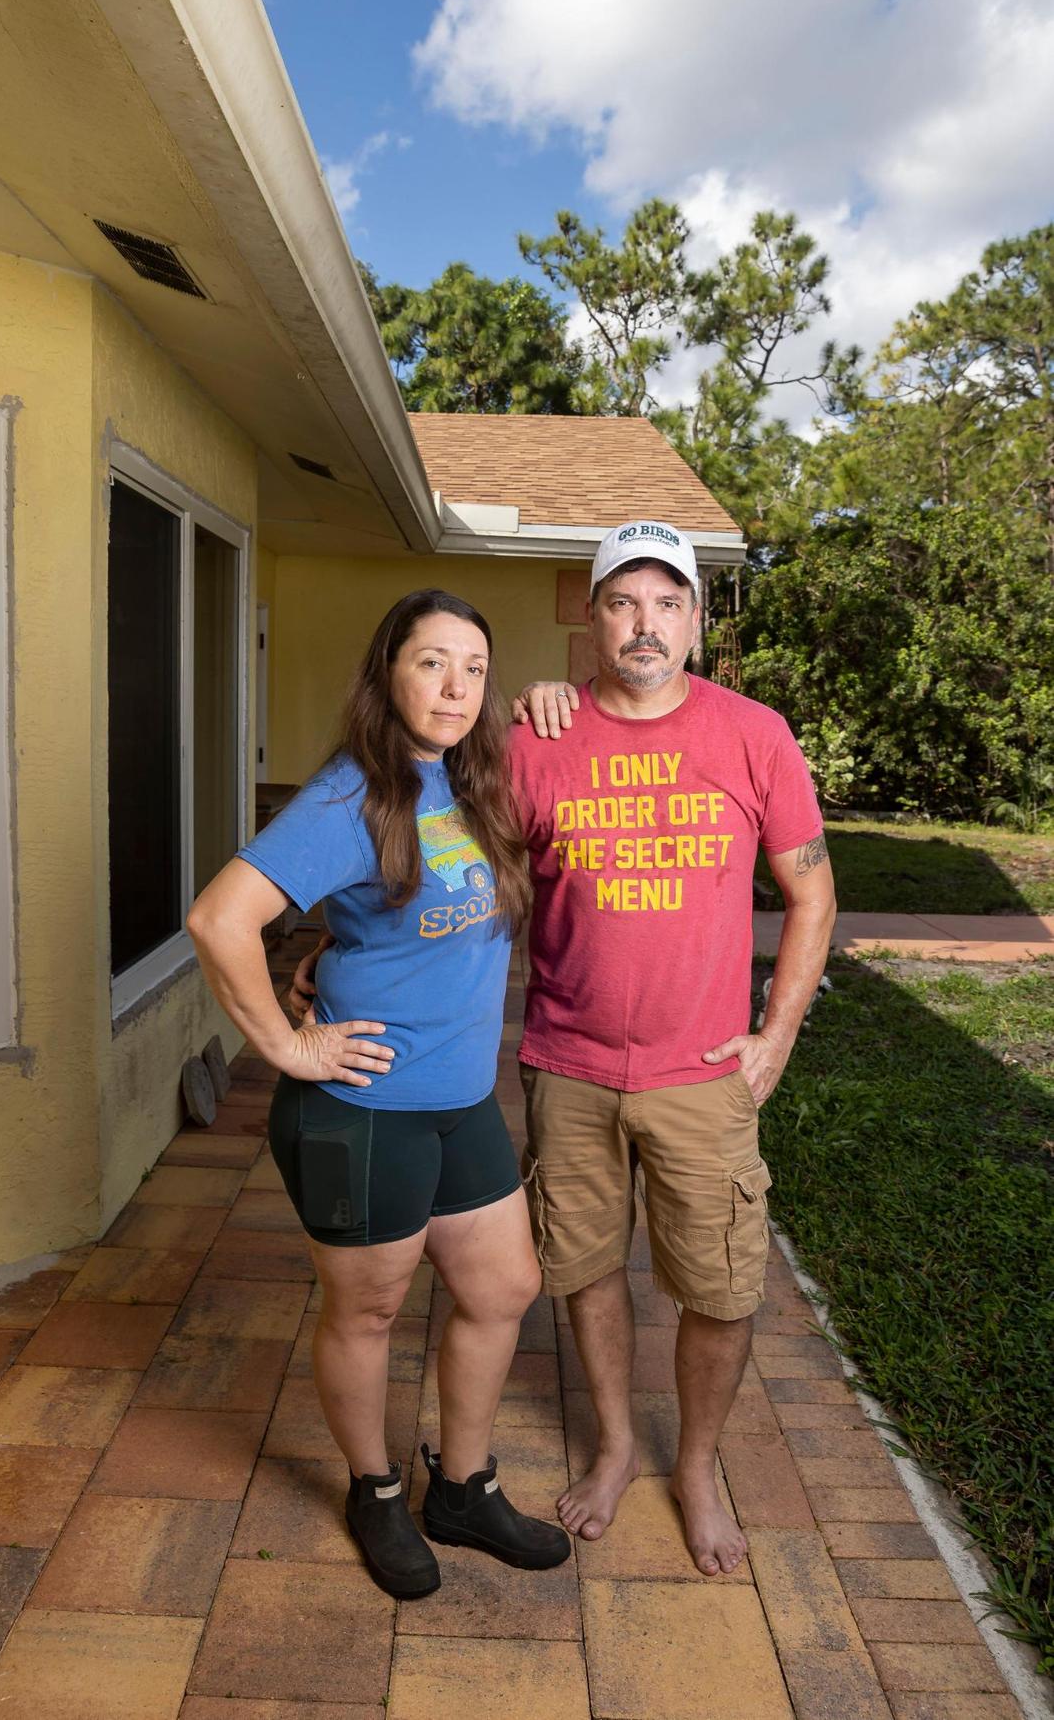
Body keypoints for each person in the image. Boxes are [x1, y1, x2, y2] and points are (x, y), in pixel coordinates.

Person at [187, 589, 569, 1600]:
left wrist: (553, 691)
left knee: (502, 1287)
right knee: (370, 1310)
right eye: (432, 661)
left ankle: (464, 1484)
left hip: (459, 1099)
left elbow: (402, 919)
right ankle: (375, 1487)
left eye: (474, 667)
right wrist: (287, 1043)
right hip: (362, 1105)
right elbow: (219, 918)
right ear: (388, 670)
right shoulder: (354, 792)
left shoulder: (474, 778)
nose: (455, 686)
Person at [505, 519, 837, 1575]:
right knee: (586, 1266)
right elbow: (473, 888)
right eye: (622, 601)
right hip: (568, 1064)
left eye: (666, 603)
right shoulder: (535, 740)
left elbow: (813, 891)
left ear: (697, 619)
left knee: (722, 1285)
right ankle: (612, 1444)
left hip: (703, 1074)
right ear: (592, 616)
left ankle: (694, 1462)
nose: (644, 625)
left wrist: (774, 1036)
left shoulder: (754, 734)